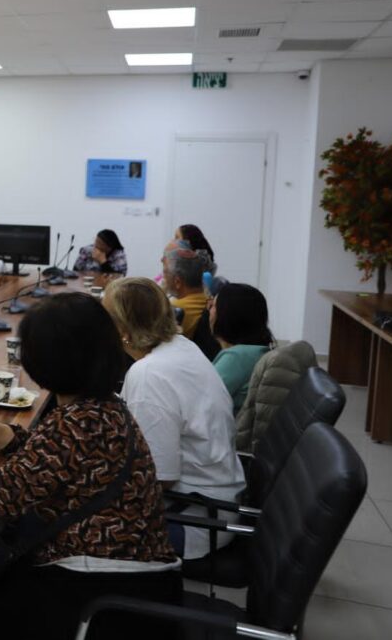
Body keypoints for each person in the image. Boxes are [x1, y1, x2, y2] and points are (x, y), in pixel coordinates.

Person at [0, 293, 179, 639]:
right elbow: (39, 456)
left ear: (45, 363)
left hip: (105, 590)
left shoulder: (76, 422)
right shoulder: (100, 405)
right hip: (133, 571)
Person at [102, 277, 246, 562]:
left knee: (63, 521)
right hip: (213, 502)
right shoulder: (180, 346)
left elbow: (157, 479)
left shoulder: (149, 374)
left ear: (123, 330)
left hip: (193, 521)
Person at [210, 283, 274, 414]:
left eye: (213, 306)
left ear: (226, 315)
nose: (209, 311)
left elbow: (200, 400)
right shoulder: (257, 352)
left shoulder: (237, 358)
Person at [160, 239, 214, 338]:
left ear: (177, 282)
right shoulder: (210, 302)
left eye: (165, 272)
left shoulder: (172, 311)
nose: (163, 277)